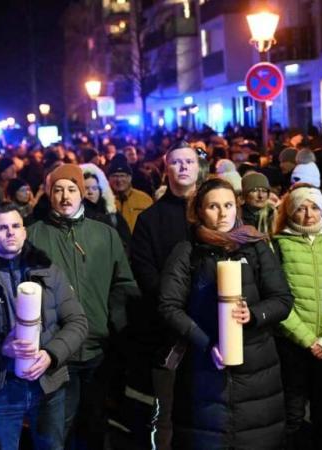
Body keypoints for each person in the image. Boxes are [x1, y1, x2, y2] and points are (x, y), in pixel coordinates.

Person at [158, 178, 293, 449]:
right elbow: (169, 306)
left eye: (228, 205)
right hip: (204, 369)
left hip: (256, 369)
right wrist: (206, 343)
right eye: (213, 207)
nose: (222, 214)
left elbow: (282, 300)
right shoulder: (187, 251)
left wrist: (254, 314)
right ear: (198, 211)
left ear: (237, 208)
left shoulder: (255, 246)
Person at [0, 202, 88, 450]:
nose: (10, 232)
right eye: (2, 228)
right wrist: (1, 348)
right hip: (1, 386)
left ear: (25, 231)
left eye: (15, 226)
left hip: (47, 385)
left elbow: (77, 322)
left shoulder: (49, 271)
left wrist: (51, 355)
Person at [28, 163, 138, 450]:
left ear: (82, 193)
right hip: (54, 353)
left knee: (93, 426)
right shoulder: (33, 235)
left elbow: (123, 285)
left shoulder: (104, 234)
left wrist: (114, 325)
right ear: (49, 194)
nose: (65, 196)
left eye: (72, 189)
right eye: (58, 190)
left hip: (97, 350)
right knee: (54, 430)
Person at [272, 184, 322, 449]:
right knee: (292, 414)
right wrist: (308, 339)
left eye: (315, 207)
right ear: (290, 211)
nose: (309, 214)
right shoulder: (276, 247)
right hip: (292, 345)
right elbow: (276, 298)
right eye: (301, 207)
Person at [129, 144, 200, 450]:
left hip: (211, 325)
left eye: (189, 161)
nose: (183, 167)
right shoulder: (150, 219)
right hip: (167, 330)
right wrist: (178, 312)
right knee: (166, 413)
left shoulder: (214, 212)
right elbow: (147, 274)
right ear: (166, 169)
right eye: (176, 162)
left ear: (199, 168)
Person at [80, 163, 130, 249]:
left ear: (100, 190)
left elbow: (126, 242)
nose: (91, 192)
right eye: (86, 188)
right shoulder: (74, 216)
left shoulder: (111, 213)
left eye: (94, 188)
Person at [107, 155, 152, 233]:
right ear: (109, 178)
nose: (119, 180)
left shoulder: (144, 199)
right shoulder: (104, 200)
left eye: (122, 176)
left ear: (130, 178)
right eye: (115, 176)